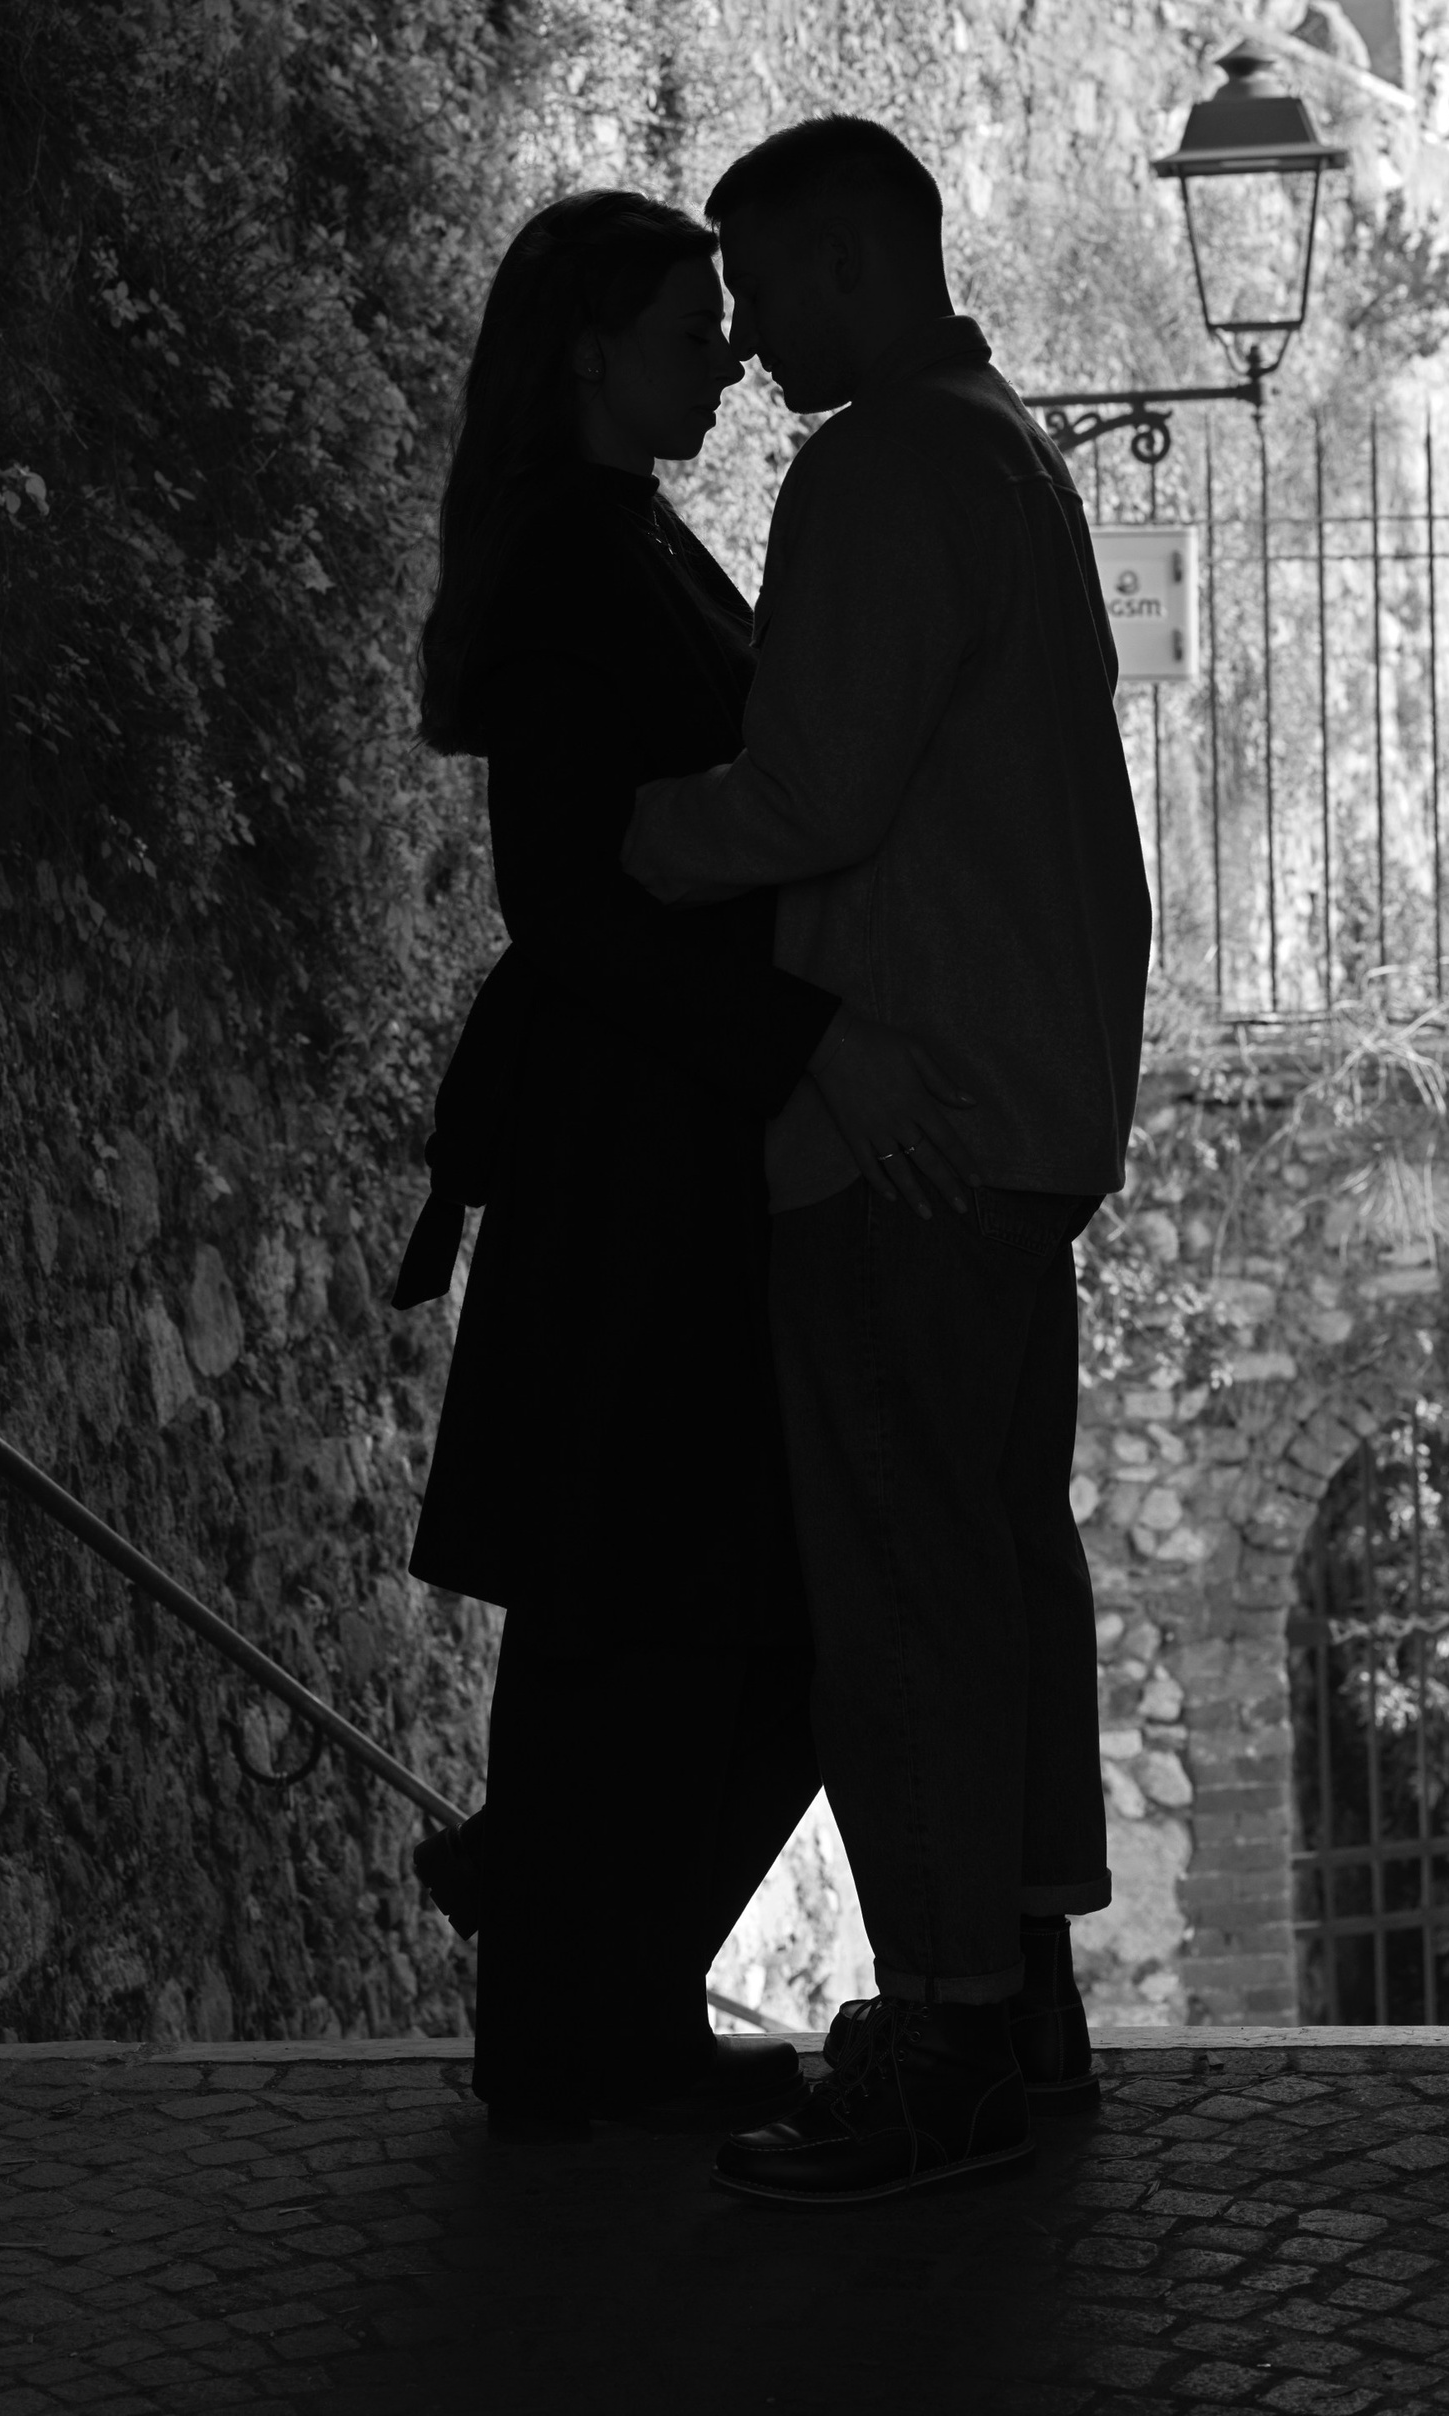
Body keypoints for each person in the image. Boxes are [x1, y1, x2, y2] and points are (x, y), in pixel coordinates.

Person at [623, 117, 1152, 2207]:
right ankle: (1016, 1992)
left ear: (848, 264)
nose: (742, 345)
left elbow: (809, 790)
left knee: (906, 1584)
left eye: (758, 291)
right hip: (1020, 1118)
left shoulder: (882, 467)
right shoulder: (1003, 449)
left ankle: (937, 2026)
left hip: (904, 1131)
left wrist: (631, 839)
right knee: (1000, 1558)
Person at [398, 187, 926, 2143]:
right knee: (675, 1591)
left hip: (665, 1130)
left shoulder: (614, 538)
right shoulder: (568, 568)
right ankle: (572, 1990)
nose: (725, 348)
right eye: (691, 318)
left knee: (677, 1596)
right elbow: (572, 901)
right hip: (637, 1151)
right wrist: (799, 1043)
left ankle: (569, 1953)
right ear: (589, 354)